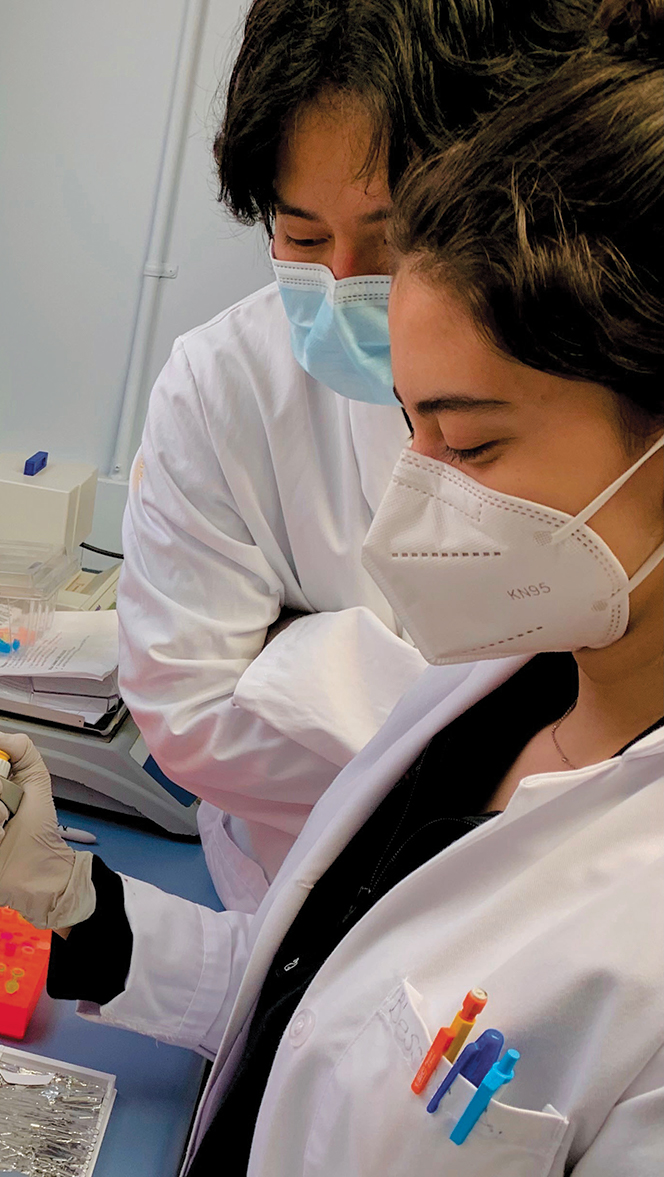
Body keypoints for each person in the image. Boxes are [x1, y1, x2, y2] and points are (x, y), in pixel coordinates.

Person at [0, 3, 664, 1177]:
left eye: (471, 440)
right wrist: (84, 908)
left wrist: (306, 652)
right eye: (414, 430)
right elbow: (327, 1006)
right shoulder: (496, 689)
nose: (413, 498)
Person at [118, 0, 591, 912]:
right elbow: (186, 711)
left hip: (525, 908)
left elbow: (582, 720)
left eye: (392, 239)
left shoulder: (577, 385)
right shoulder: (224, 383)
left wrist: (300, 658)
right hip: (288, 888)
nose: (340, 284)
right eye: (301, 237)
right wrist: (450, 728)